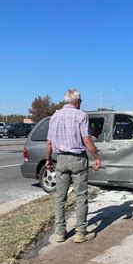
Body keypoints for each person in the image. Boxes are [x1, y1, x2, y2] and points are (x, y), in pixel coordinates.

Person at [46, 89, 102, 243]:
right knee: (81, 196)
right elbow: (87, 140)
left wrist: (48, 159)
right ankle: (80, 232)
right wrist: (96, 157)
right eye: (81, 100)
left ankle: (60, 233)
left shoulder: (55, 116)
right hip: (78, 159)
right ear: (77, 101)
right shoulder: (81, 115)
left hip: (61, 159)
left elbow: (49, 142)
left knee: (60, 197)